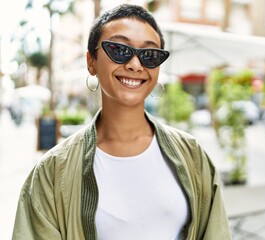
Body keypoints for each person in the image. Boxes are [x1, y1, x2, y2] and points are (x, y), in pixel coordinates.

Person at [12, 4, 231, 240]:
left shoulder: (192, 154)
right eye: (119, 49)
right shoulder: (53, 171)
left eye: (149, 55)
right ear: (91, 61)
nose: (135, 64)